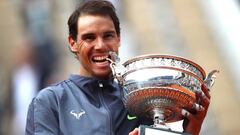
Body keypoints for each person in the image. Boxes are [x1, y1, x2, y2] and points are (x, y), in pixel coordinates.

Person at [25, 0, 211, 135]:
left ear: (119, 40)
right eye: (89, 37)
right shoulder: (50, 102)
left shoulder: (139, 99)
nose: (100, 46)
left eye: (108, 36)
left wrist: (191, 130)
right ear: (73, 43)